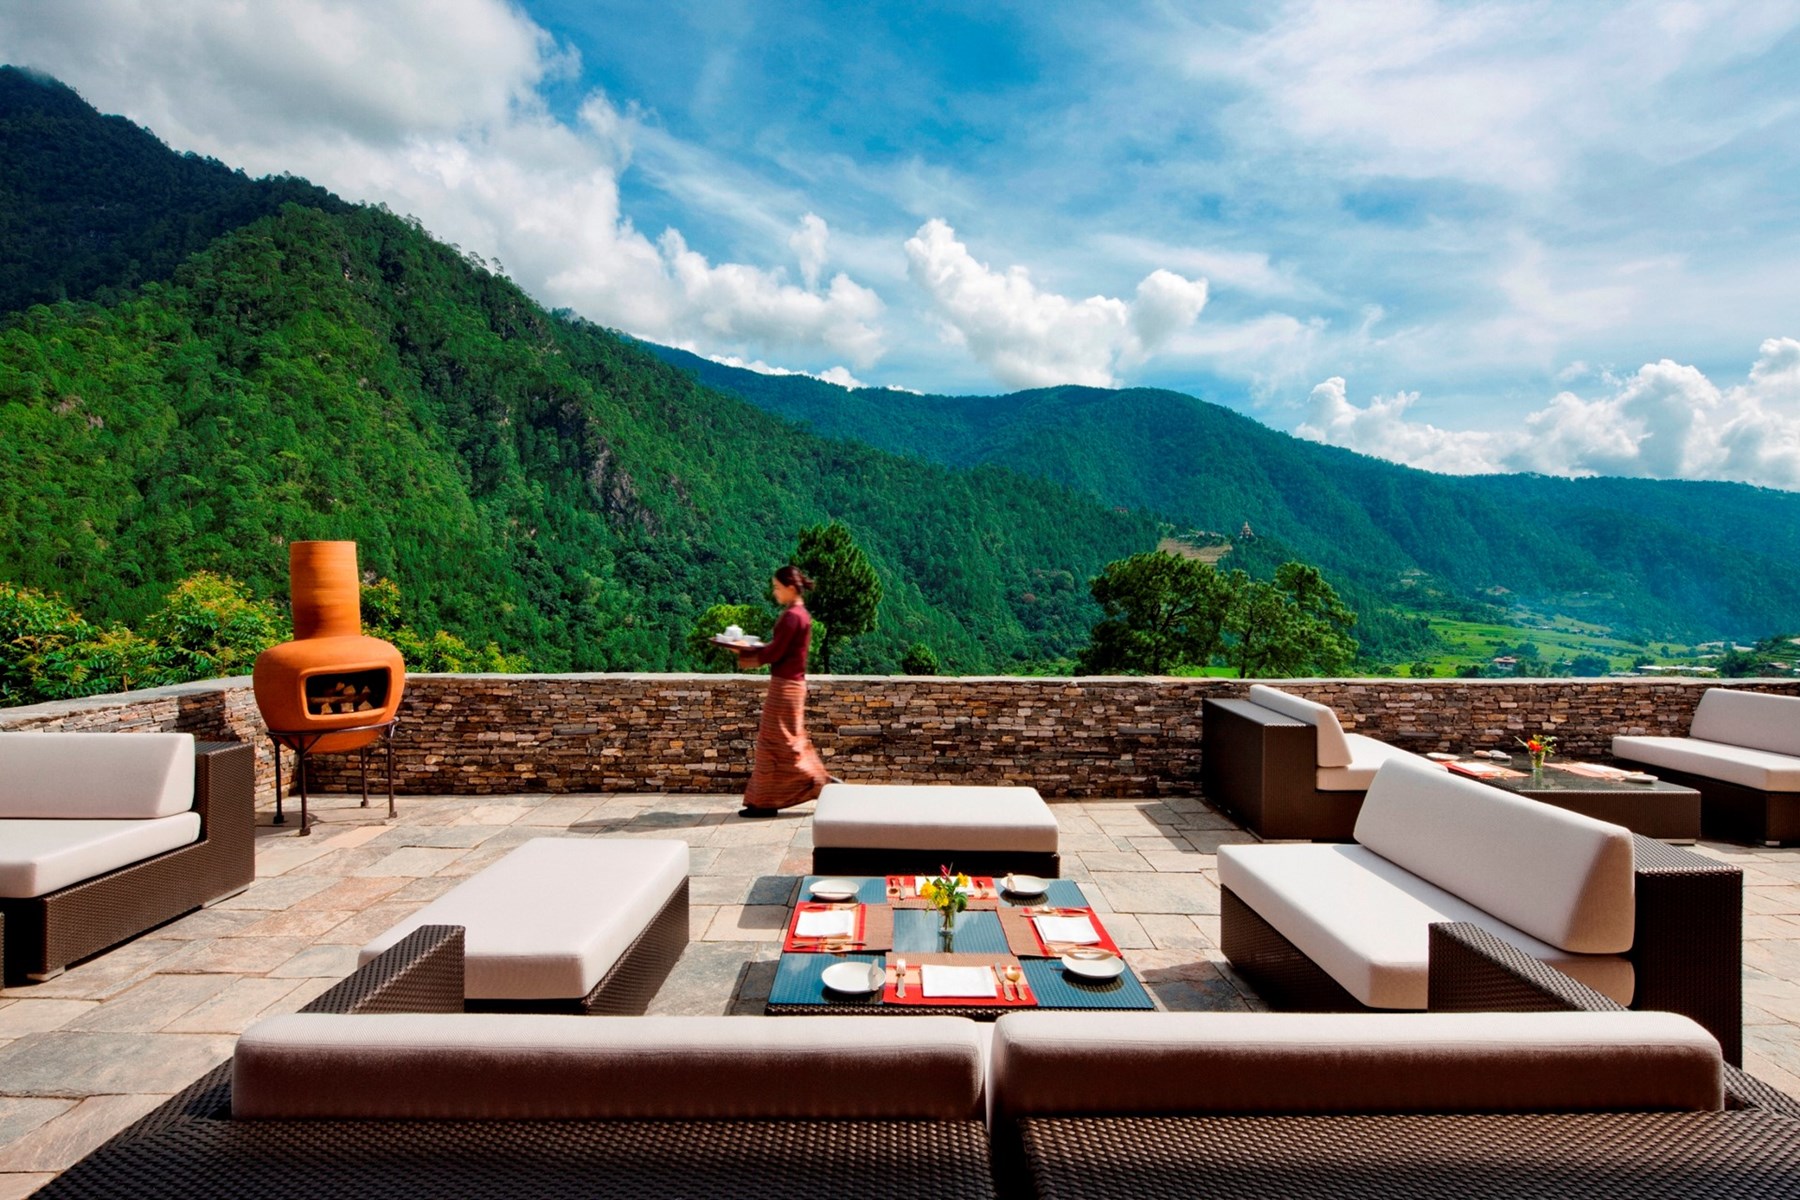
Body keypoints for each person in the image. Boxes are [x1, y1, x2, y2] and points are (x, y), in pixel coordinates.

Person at [735, 565, 831, 817]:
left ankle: (818, 784)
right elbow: (781, 649)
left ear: (790, 588)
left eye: (777, 588)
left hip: (785, 686)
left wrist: (744, 653)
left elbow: (776, 652)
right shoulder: (801, 615)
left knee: (775, 743)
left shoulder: (792, 617)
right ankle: (765, 800)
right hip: (792, 685)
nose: (775, 592)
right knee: (784, 742)